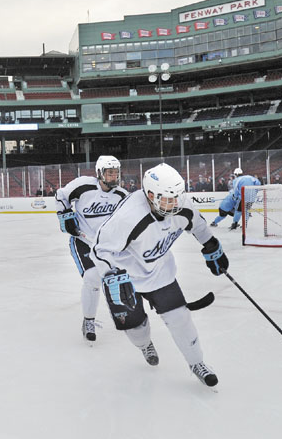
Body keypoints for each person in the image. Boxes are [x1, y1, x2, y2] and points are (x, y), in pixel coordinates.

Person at [92, 163, 229, 388]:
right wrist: (111, 275)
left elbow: (198, 225)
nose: (174, 204)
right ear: (150, 195)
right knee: (136, 327)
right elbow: (100, 249)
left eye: (176, 197)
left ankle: (197, 363)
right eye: (167, 199)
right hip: (127, 279)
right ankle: (144, 344)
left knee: (181, 319)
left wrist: (211, 246)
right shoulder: (129, 217)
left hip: (160, 273)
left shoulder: (180, 203)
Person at [55, 155, 128, 343]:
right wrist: (65, 214)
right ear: (99, 173)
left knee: (117, 277)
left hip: (107, 245)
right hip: (83, 241)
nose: (113, 177)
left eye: (116, 173)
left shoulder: (121, 195)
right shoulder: (83, 185)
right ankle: (88, 320)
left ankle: (121, 311)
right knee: (92, 277)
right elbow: (61, 196)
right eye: (109, 173)